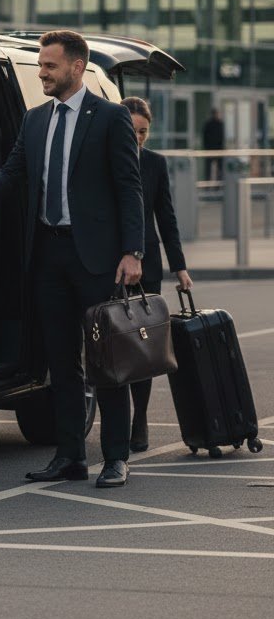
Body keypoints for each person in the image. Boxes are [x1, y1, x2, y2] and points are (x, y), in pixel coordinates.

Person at [0, 30, 144, 489]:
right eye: (40, 65)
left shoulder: (111, 117)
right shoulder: (35, 120)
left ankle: (115, 457)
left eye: (50, 66)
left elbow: (129, 187)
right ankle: (70, 455)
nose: (42, 73)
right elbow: (12, 175)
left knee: (106, 361)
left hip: (96, 257)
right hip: (48, 254)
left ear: (77, 66)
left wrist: (132, 252)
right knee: (60, 360)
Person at [121, 96, 193, 452]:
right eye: (132, 131)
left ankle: (140, 418)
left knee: (144, 346)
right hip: (108, 265)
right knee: (115, 345)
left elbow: (166, 216)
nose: (138, 138)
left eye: (143, 132)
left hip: (147, 266)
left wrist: (179, 266)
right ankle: (118, 419)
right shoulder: (103, 159)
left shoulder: (155, 163)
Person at [202, 107, 225, 181]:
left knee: (219, 169)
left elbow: (221, 137)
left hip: (218, 150)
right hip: (210, 149)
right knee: (208, 170)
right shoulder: (208, 124)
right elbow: (205, 137)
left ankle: (218, 184)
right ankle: (208, 184)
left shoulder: (219, 124)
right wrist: (206, 148)